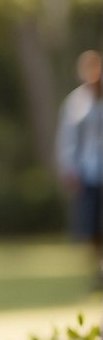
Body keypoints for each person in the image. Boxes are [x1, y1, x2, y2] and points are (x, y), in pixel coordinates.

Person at [55, 48, 103, 279]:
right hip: (90, 171)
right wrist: (68, 168)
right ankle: (98, 269)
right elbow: (68, 138)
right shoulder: (77, 102)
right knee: (91, 224)